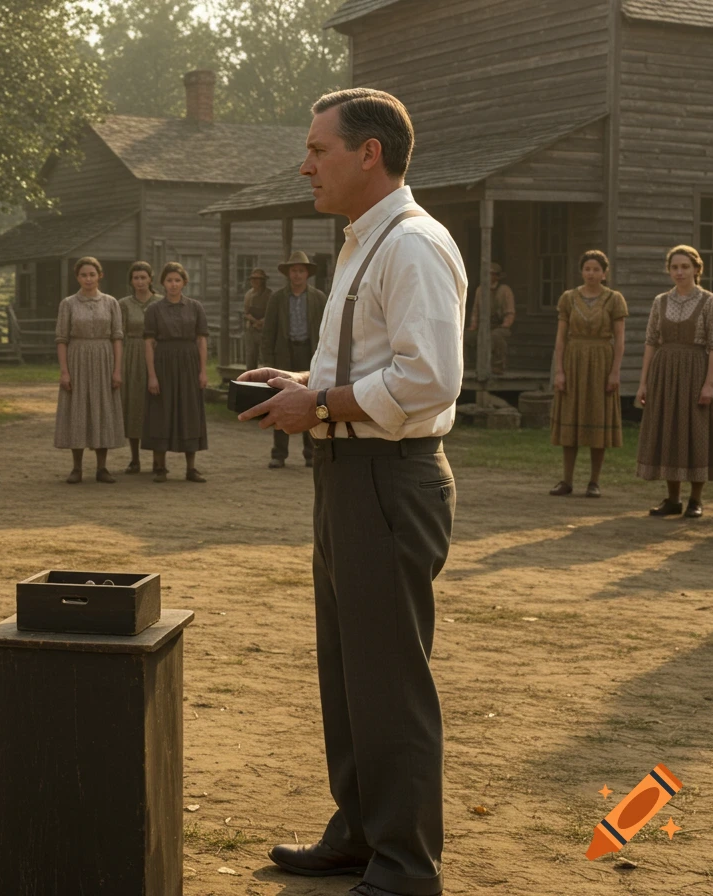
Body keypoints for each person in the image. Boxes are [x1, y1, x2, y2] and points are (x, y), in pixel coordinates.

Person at [239, 88, 465, 896]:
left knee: (389, 680)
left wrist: (322, 403)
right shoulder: (364, 243)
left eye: (318, 149)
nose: (305, 164)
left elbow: (433, 377)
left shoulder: (411, 246)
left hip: (385, 479)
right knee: (349, 672)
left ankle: (405, 864)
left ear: (369, 153)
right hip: (346, 475)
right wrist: (305, 380)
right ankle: (362, 830)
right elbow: (381, 365)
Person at [636, 244, 713, 518]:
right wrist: (643, 382)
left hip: (696, 370)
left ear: (697, 269)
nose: (680, 272)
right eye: (674, 267)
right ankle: (673, 498)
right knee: (668, 429)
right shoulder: (660, 301)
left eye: (685, 267)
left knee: (696, 432)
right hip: (665, 371)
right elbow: (650, 342)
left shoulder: (710, 302)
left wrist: (709, 384)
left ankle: (696, 499)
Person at [548, 250, 627, 498]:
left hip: (602, 360)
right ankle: (567, 480)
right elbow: (561, 338)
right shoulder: (569, 298)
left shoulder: (614, 299)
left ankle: (594, 482)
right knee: (571, 418)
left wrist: (614, 372)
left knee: (597, 418)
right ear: (581, 272)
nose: (591, 273)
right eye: (587, 269)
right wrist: (559, 371)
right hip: (574, 360)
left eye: (596, 269)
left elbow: (620, 339)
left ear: (604, 273)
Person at [55, 257, 124, 483]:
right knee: (78, 409)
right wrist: (65, 371)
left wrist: (116, 370)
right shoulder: (68, 304)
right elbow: (62, 339)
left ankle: (102, 468)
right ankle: (77, 468)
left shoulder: (111, 303)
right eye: (83, 275)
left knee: (102, 408)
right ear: (77, 277)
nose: (88, 279)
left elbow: (117, 338)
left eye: (92, 274)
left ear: (99, 276)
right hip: (78, 359)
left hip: (104, 359)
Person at [143, 262, 208, 483]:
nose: (173, 284)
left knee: (189, 411)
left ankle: (191, 468)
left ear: (184, 283)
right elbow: (149, 342)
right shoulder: (154, 309)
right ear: (162, 283)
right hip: (163, 362)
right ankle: (160, 467)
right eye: (169, 280)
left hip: (189, 363)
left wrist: (202, 371)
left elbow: (201, 340)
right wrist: (152, 375)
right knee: (161, 411)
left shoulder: (195, 307)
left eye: (177, 280)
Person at [263, 251, 327, 468]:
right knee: (280, 401)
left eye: (301, 270)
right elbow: (268, 332)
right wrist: (269, 362)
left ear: (307, 273)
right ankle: (279, 453)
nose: (297, 275)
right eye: (293, 270)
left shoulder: (318, 298)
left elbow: (326, 331)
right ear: (288, 273)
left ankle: (311, 453)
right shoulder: (277, 298)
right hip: (284, 353)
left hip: (309, 355)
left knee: (310, 401)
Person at [119, 261, 157, 473]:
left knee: (154, 406)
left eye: (143, 277)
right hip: (132, 355)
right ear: (131, 281)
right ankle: (134, 459)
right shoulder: (124, 304)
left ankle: (157, 459)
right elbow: (119, 334)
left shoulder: (160, 302)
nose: (140, 282)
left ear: (151, 279)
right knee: (134, 405)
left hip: (157, 353)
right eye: (136, 278)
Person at [466, 262, 515, 375]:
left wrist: (505, 324)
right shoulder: (480, 290)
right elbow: (475, 311)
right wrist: (474, 325)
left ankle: (498, 365)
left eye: (493, 274)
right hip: (483, 326)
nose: (490, 277)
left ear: (497, 276)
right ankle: (470, 364)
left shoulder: (504, 290)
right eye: (488, 274)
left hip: (500, 326)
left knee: (496, 336)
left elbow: (510, 312)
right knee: (467, 337)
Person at [242, 268, 272, 369]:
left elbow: (271, 313)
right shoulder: (248, 295)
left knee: (266, 358)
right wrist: (253, 321)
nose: (254, 281)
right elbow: (246, 313)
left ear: (263, 280)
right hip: (251, 329)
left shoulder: (269, 294)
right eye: (253, 279)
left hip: (265, 331)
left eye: (257, 279)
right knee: (250, 357)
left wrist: (262, 322)